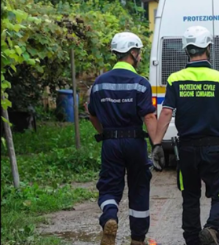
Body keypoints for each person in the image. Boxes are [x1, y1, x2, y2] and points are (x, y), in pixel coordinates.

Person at [152, 25, 219, 245]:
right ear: (208, 48)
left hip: (186, 150)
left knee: (190, 198)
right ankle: (213, 229)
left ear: (186, 50)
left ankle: (193, 241)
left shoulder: (175, 79)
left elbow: (166, 113)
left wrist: (156, 143)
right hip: (214, 148)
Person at [87, 32, 160, 245]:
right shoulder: (141, 83)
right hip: (135, 142)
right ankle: (137, 239)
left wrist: (104, 133)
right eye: (138, 53)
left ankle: (110, 217)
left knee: (109, 186)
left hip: (110, 143)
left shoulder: (99, 84)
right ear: (133, 53)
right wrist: (156, 144)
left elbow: (92, 114)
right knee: (139, 187)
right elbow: (148, 115)